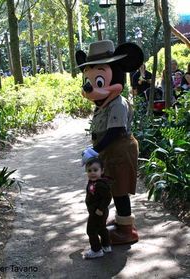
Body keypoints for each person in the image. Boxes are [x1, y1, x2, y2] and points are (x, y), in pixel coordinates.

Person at [76, 40, 143, 245]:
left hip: (120, 149)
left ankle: (126, 231)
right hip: (109, 151)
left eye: (98, 80)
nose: (90, 88)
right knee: (112, 186)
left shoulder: (118, 104)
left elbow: (116, 131)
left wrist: (94, 151)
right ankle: (122, 220)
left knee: (120, 189)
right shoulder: (105, 103)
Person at [83, 157, 112, 259]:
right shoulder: (94, 182)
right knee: (101, 228)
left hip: (98, 212)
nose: (92, 173)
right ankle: (106, 245)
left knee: (91, 230)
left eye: (95, 170)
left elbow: (107, 197)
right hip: (98, 211)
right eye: (89, 170)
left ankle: (96, 250)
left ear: (102, 171)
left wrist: (100, 209)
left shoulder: (100, 184)